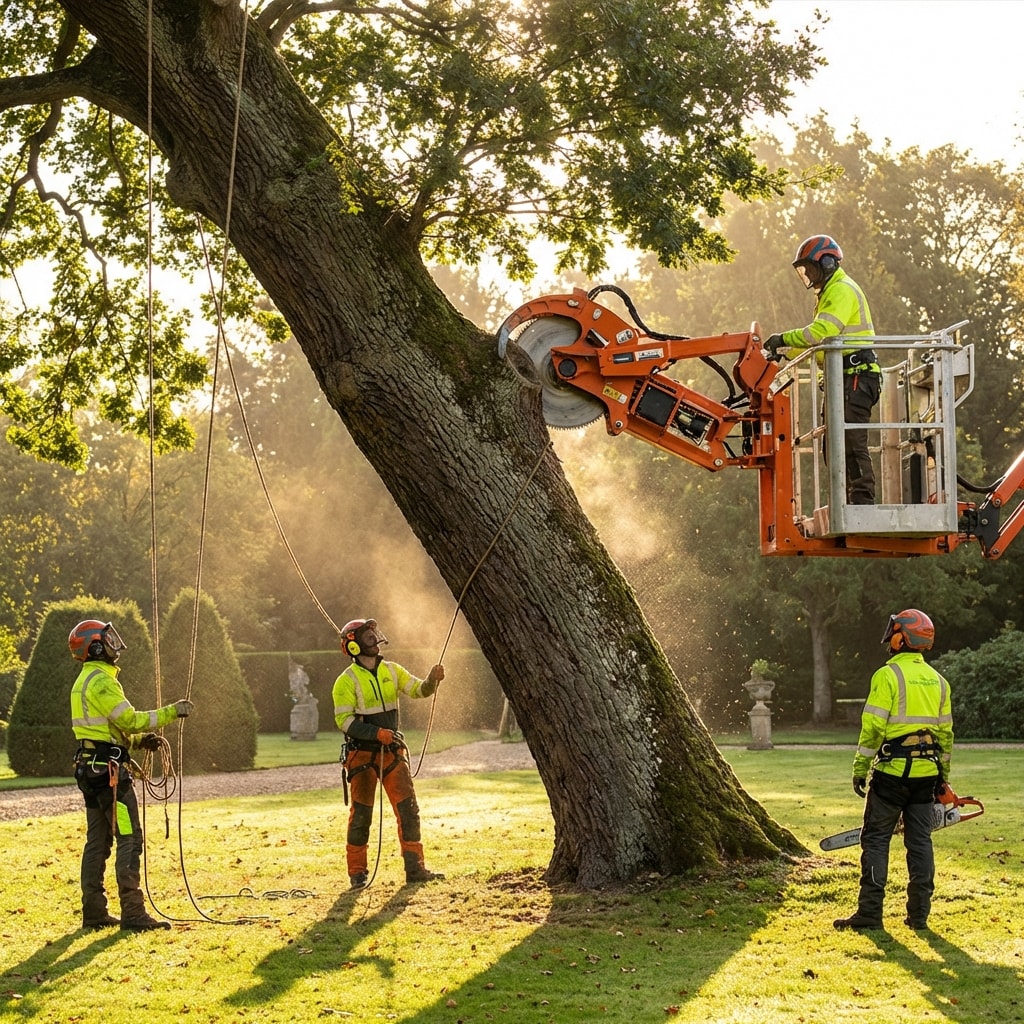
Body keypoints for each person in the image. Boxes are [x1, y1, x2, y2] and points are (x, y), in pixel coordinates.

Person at [68, 619, 194, 931]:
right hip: (110, 778)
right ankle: (134, 914)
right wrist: (172, 711)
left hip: (90, 771)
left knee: (97, 841)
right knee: (129, 837)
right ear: (95, 646)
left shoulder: (83, 680)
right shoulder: (101, 681)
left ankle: (94, 912)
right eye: (108, 639)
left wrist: (138, 744)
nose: (114, 644)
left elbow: (104, 733)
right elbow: (130, 719)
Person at [834, 608, 953, 932]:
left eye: (895, 632)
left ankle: (870, 913)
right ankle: (919, 917)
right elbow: (945, 735)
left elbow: (873, 728)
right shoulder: (940, 682)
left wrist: (860, 767)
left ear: (903, 637)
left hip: (891, 775)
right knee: (920, 842)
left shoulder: (887, 676)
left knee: (875, 839)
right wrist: (942, 775)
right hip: (925, 776)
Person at [765, 234, 882, 505]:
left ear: (827, 263)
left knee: (851, 441)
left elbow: (821, 333)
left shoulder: (841, 289)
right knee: (833, 446)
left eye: (811, 268)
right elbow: (818, 347)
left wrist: (783, 338)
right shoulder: (829, 292)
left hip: (856, 376)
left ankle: (862, 502)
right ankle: (848, 500)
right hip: (841, 380)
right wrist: (783, 354)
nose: (809, 275)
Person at [333, 617, 444, 889]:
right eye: (368, 636)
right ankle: (357, 873)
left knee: (409, 810)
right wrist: (374, 734)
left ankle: (415, 869)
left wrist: (431, 680)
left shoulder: (393, 670)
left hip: (393, 754)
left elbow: (419, 690)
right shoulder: (345, 682)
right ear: (354, 646)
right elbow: (344, 721)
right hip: (362, 756)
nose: (375, 639)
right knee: (362, 816)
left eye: (374, 634)